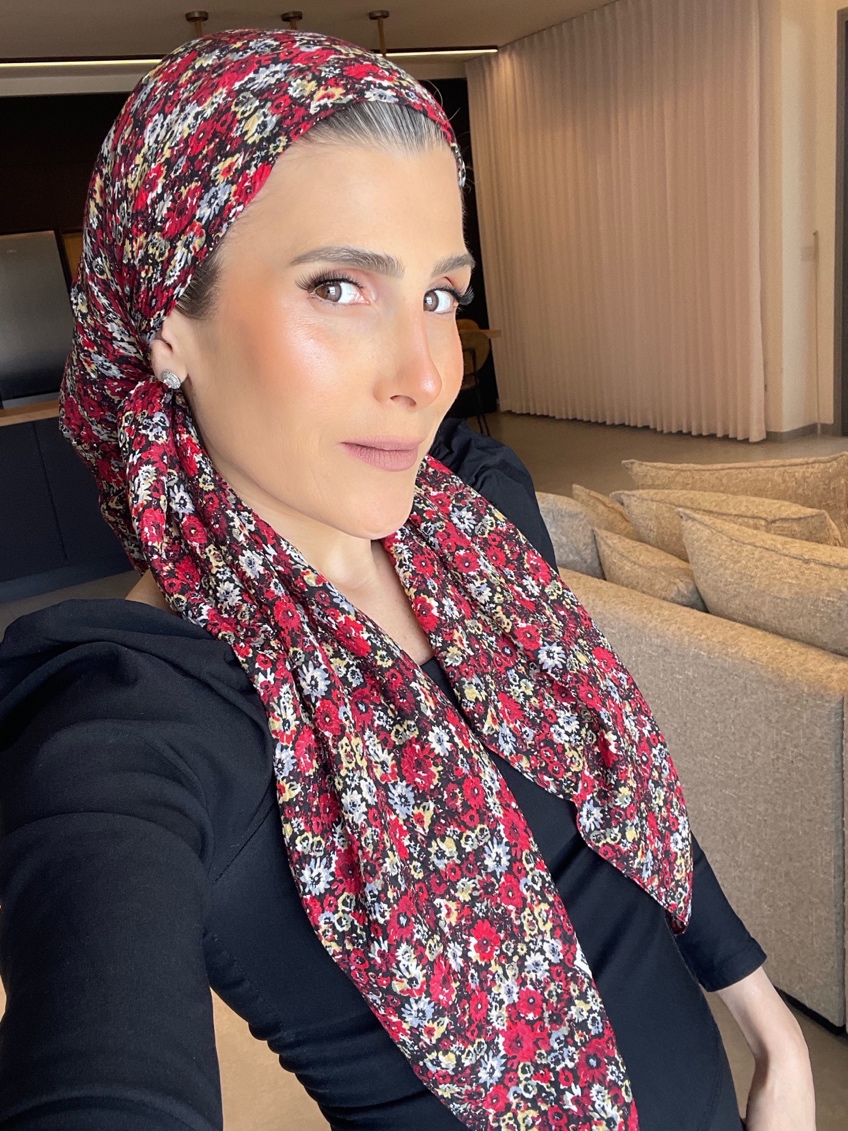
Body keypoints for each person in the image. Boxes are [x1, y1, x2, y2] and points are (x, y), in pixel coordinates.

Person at [0, 29, 814, 1131]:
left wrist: (773, 1032)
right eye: (338, 286)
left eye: (438, 294)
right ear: (167, 328)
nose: (427, 375)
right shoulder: (140, 713)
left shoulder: (477, 521)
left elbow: (619, 802)